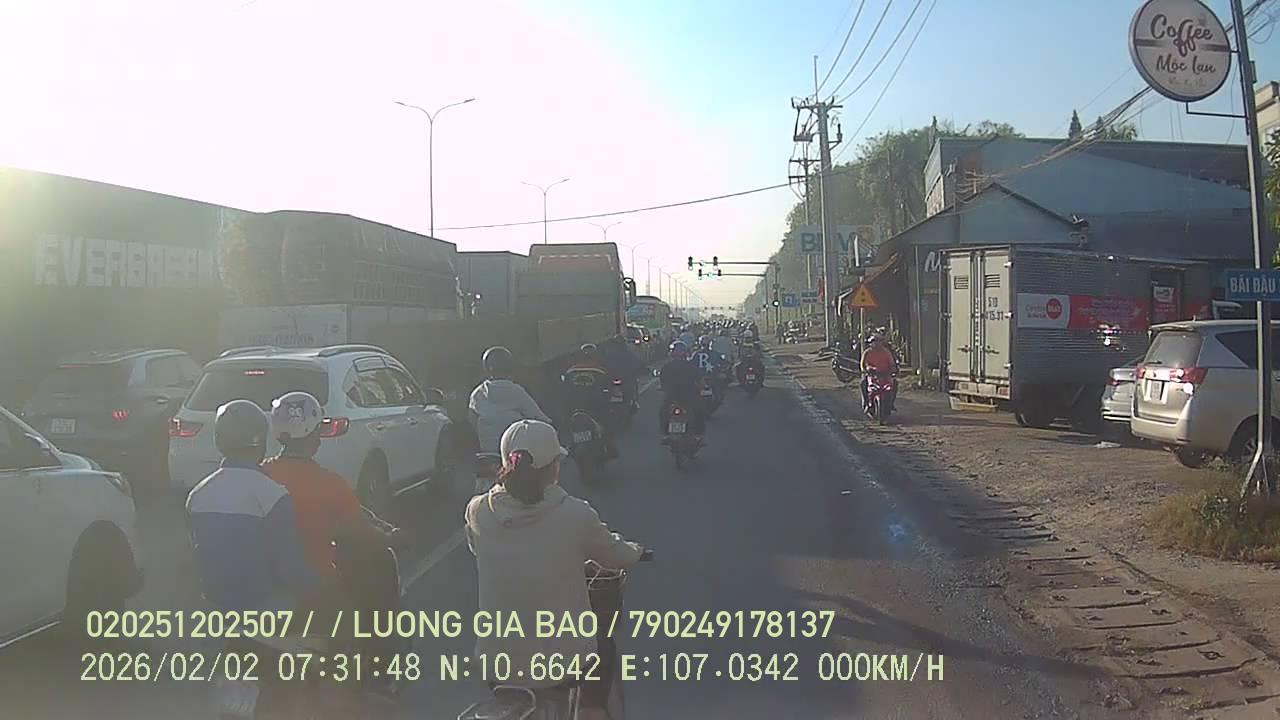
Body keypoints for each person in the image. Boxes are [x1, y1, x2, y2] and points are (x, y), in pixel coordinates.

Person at [465, 420, 646, 720]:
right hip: (562, 663)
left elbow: (478, 548)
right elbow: (616, 555)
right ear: (553, 467)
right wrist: (637, 551)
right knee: (603, 647)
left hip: (496, 663)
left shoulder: (478, 510)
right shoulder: (575, 513)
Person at [260, 391, 406, 700]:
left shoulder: (261, 473)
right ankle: (375, 676)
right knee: (368, 616)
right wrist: (392, 537)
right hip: (317, 585)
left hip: (266, 585)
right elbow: (363, 532)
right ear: (314, 435)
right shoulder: (329, 483)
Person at [186, 400, 315, 719]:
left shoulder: (197, 495)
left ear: (219, 440)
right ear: (260, 442)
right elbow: (289, 567)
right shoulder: (273, 494)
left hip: (215, 612)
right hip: (268, 611)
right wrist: (316, 588)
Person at [470, 346, 553, 455]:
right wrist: (553, 426)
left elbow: (472, 418)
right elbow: (538, 417)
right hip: (512, 453)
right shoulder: (516, 391)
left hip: (487, 451)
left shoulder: (478, 393)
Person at [560, 344, 619, 458]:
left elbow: (564, 390)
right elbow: (609, 387)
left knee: (566, 424)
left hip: (575, 407)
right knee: (609, 423)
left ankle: (567, 445)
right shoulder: (601, 371)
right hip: (595, 407)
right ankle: (610, 445)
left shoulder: (570, 371)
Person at [657, 341, 706, 440]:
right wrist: (700, 388)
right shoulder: (690, 366)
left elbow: (662, 382)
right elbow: (700, 381)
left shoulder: (667, 366)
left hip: (673, 396)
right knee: (699, 411)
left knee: (663, 411)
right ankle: (697, 435)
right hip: (688, 396)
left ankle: (666, 434)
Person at [600, 333, 645, 411]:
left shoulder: (608, 355)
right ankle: (634, 402)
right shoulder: (628, 355)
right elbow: (638, 364)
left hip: (617, 380)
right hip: (620, 381)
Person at [860, 332, 900, 412]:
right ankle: (867, 403)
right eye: (874, 341)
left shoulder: (886, 352)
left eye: (879, 341)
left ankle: (891, 403)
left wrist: (893, 370)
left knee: (894, 383)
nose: (877, 343)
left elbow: (892, 363)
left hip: (885, 374)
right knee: (863, 383)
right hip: (872, 375)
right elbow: (862, 364)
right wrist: (865, 370)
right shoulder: (867, 353)